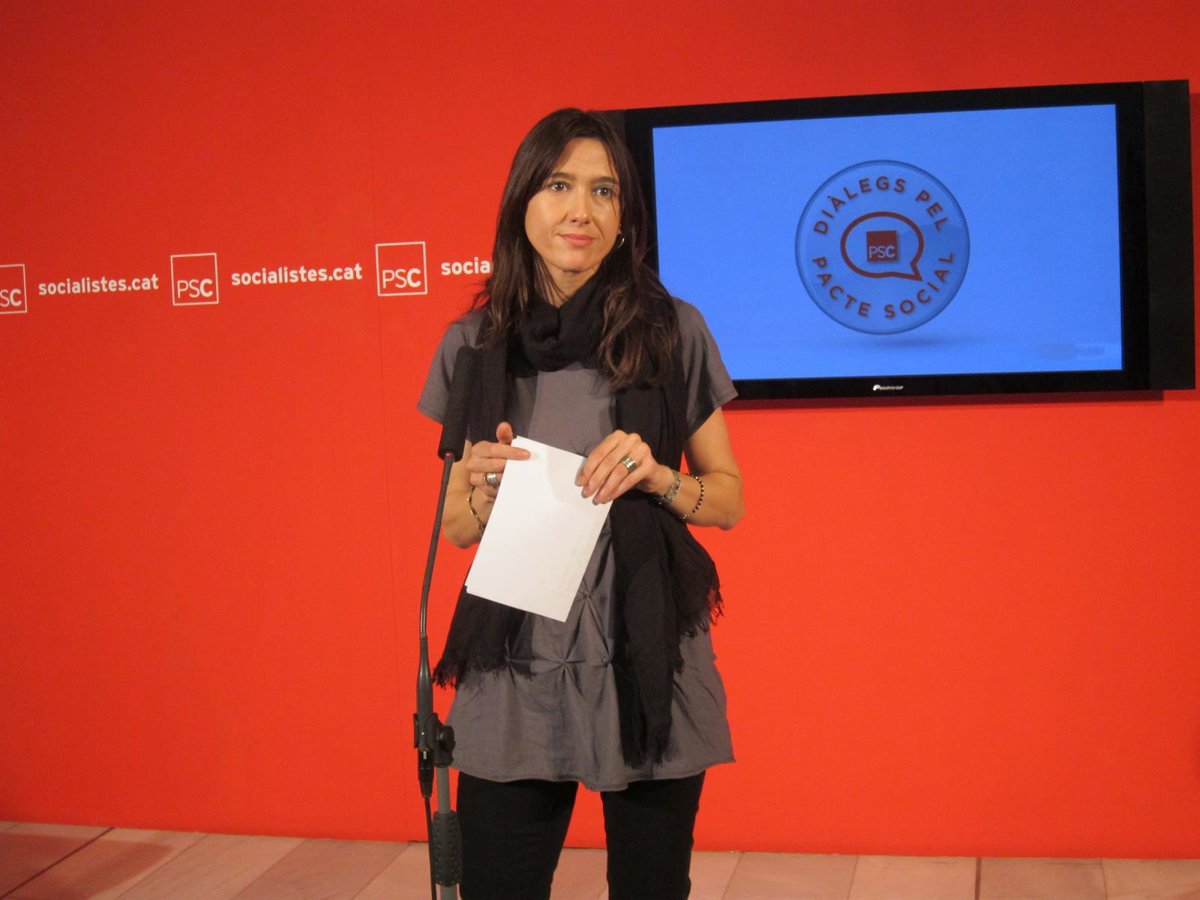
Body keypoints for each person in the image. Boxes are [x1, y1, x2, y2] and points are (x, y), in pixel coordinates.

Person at [418, 107, 744, 900]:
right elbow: (456, 527)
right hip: (517, 655)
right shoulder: (474, 346)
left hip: (645, 651)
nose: (581, 211)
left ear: (624, 215)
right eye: (559, 185)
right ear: (522, 202)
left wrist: (658, 477)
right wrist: (483, 492)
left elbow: (727, 499)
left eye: (604, 191)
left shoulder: (672, 331)